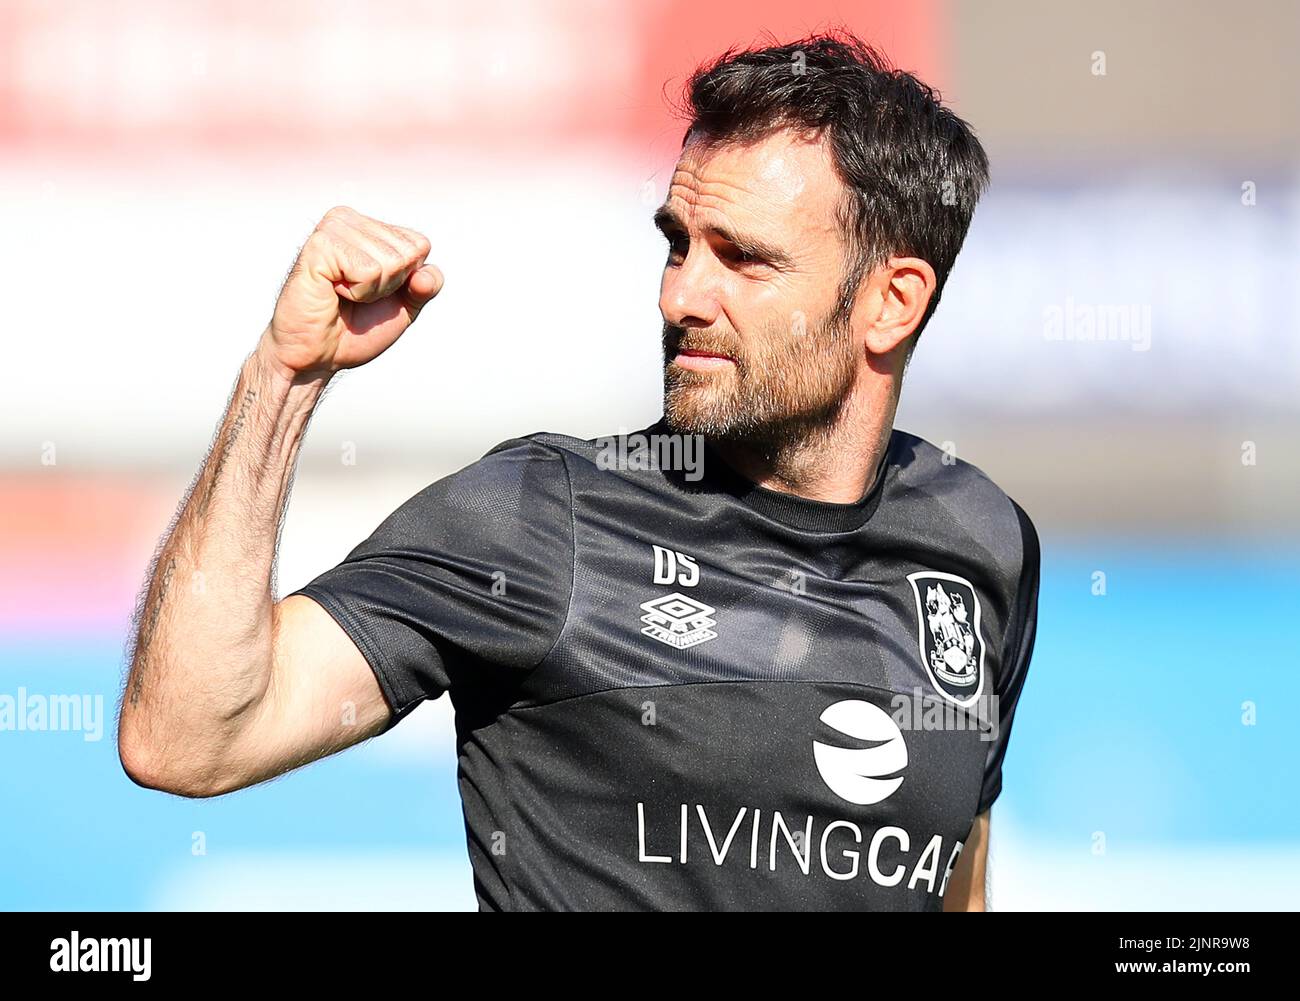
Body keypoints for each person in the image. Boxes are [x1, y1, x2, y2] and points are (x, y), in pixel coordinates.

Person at [118, 29, 1039, 912]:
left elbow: (960, 884)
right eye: (678, 241)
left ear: (892, 301)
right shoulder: (538, 517)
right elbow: (189, 739)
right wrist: (283, 376)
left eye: (743, 259)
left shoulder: (982, 542)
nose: (682, 295)